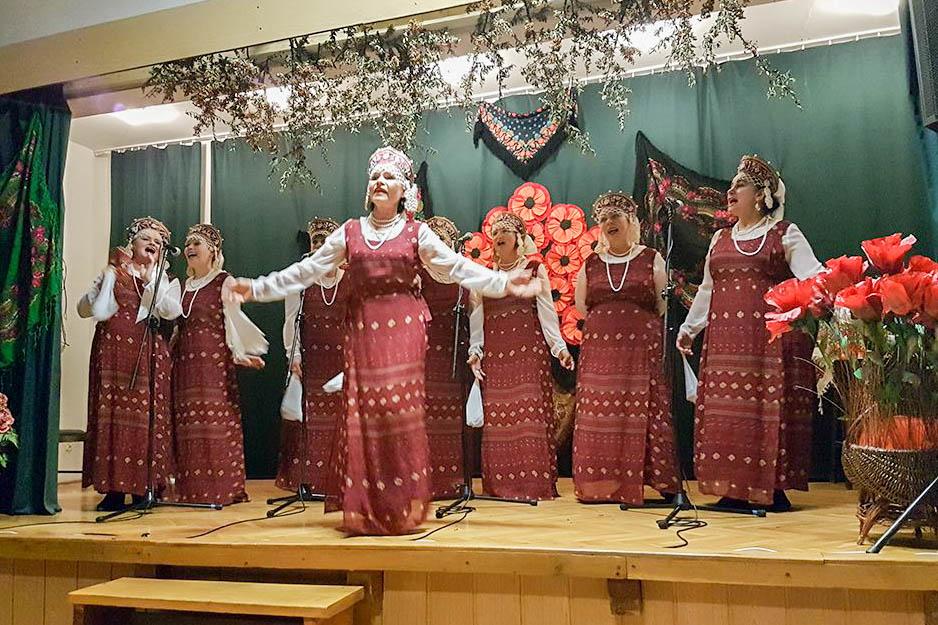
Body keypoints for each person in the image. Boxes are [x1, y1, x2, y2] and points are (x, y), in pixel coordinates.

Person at [224, 146, 539, 535]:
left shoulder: (416, 232)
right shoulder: (349, 232)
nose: (380, 182)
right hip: (363, 330)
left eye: (389, 177)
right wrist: (256, 288)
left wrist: (504, 281)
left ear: (404, 189)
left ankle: (400, 504)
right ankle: (369, 505)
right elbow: (307, 270)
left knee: (396, 412)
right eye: (375, 177)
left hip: (404, 329)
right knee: (368, 415)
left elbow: (456, 267)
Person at [676, 155, 823, 512]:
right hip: (726, 341)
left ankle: (771, 490)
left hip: (769, 342)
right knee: (726, 413)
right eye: (731, 184)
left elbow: (814, 276)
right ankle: (732, 489)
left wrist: (837, 293)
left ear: (761, 194)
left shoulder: (784, 233)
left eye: (739, 184)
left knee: (765, 412)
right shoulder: (720, 239)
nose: (730, 190)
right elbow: (708, 290)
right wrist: (689, 328)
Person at [571, 192, 679, 504]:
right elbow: (582, 306)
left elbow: (661, 304)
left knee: (644, 409)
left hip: (640, 349)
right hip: (600, 353)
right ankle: (602, 483)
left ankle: (657, 483)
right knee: (601, 413)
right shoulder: (591, 263)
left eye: (614, 216)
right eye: (603, 218)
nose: (608, 223)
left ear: (630, 220)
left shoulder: (651, 258)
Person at [468, 212, 575, 501]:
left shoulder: (533, 269)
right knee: (499, 422)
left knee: (529, 420)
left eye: (505, 232)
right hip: (497, 357)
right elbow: (476, 320)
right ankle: (500, 487)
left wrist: (559, 349)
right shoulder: (483, 277)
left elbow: (547, 313)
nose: (498, 236)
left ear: (519, 239)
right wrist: (475, 352)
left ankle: (533, 486)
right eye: (495, 233)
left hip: (529, 354)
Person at [77, 217, 182, 511]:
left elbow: (171, 312)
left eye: (159, 243)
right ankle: (112, 489)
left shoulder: (164, 279)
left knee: (144, 419)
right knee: (111, 417)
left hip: (147, 352)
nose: (153, 245)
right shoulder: (113, 272)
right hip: (112, 352)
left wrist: (151, 281)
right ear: (132, 242)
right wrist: (102, 283)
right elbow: (84, 309)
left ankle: (143, 488)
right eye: (146, 238)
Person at [172, 224, 266, 506]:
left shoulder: (223, 281)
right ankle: (190, 488)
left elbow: (233, 321)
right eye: (187, 243)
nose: (189, 247)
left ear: (213, 250)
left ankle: (220, 489)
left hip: (213, 363)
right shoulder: (181, 286)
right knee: (188, 424)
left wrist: (241, 353)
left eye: (196, 243)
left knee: (214, 423)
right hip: (185, 364)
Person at [276, 217, 348, 495]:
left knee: (341, 420)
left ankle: (340, 482)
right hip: (311, 360)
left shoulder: (350, 279)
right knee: (312, 421)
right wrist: (291, 356)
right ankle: (310, 481)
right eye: (316, 240)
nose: (320, 245)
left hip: (341, 362)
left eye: (326, 240)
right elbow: (291, 321)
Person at [419, 216, 470, 500]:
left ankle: (452, 482)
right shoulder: (418, 274)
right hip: (425, 357)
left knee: (452, 421)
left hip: (455, 357)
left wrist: (475, 350)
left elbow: (474, 316)